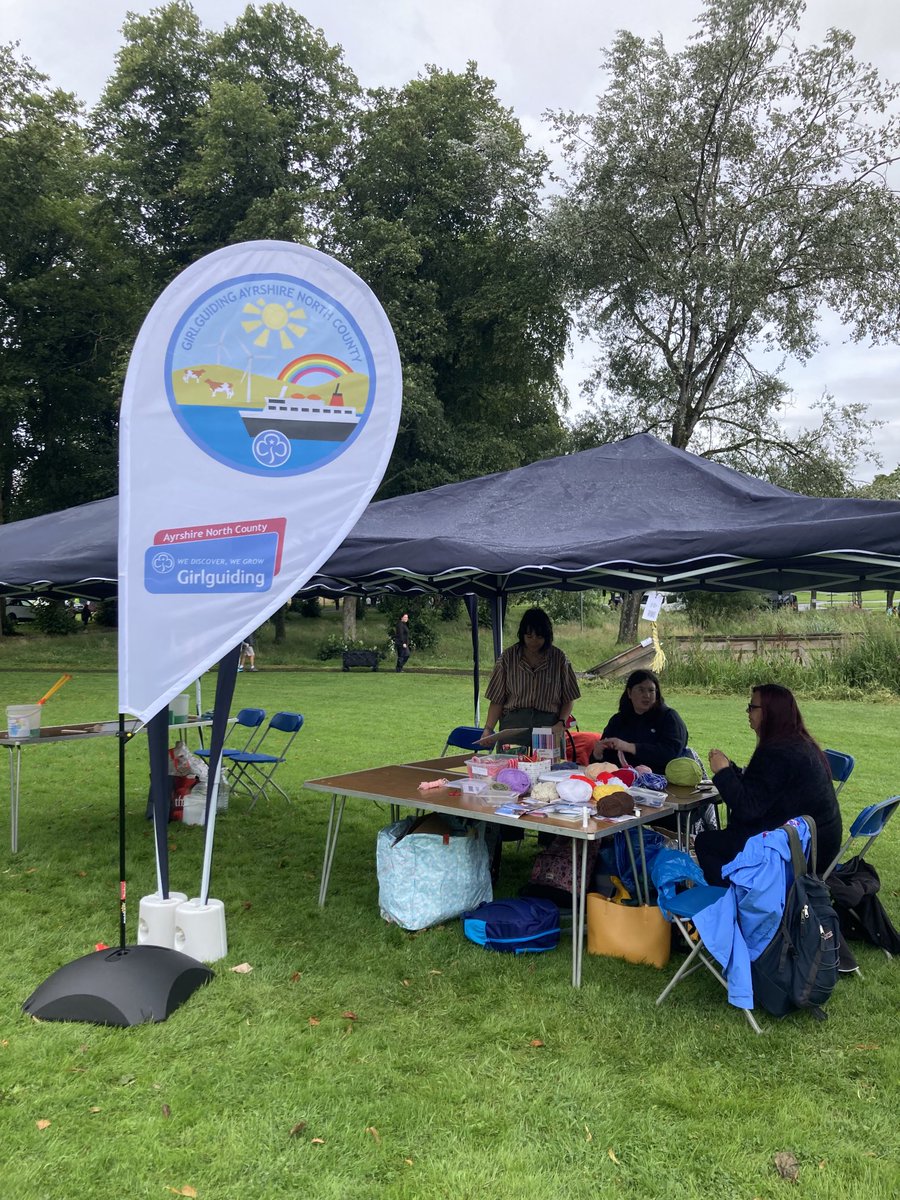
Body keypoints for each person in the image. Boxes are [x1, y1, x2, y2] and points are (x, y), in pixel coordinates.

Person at [695, 683, 842, 887]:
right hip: (816, 843)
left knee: (706, 843)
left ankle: (736, 902)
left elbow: (748, 808)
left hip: (800, 853)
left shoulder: (777, 752)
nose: (748, 712)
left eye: (752, 707)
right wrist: (733, 770)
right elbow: (763, 789)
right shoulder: (796, 742)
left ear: (770, 713)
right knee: (725, 838)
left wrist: (723, 772)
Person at [482, 607, 580, 745]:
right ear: (522, 635)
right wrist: (488, 729)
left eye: (539, 637)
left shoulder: (559, 659)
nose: (533, 641)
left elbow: (569, 698)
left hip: (549, 725)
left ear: (547, 636)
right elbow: (497, 699)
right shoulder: (507, 658)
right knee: (512, 765)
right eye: (529, 636)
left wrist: (561, 723)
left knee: (550, 766)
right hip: (513, 726)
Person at [590, 669, 688, 774]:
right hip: (623, 781)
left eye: (651, 690)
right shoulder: (618, 720)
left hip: (660, 782)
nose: (647, 695)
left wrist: (629, 747)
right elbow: (605, 762)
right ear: (629, 693)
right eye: (641, 690)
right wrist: (597, 755)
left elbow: (670, 753)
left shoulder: (669, 717)